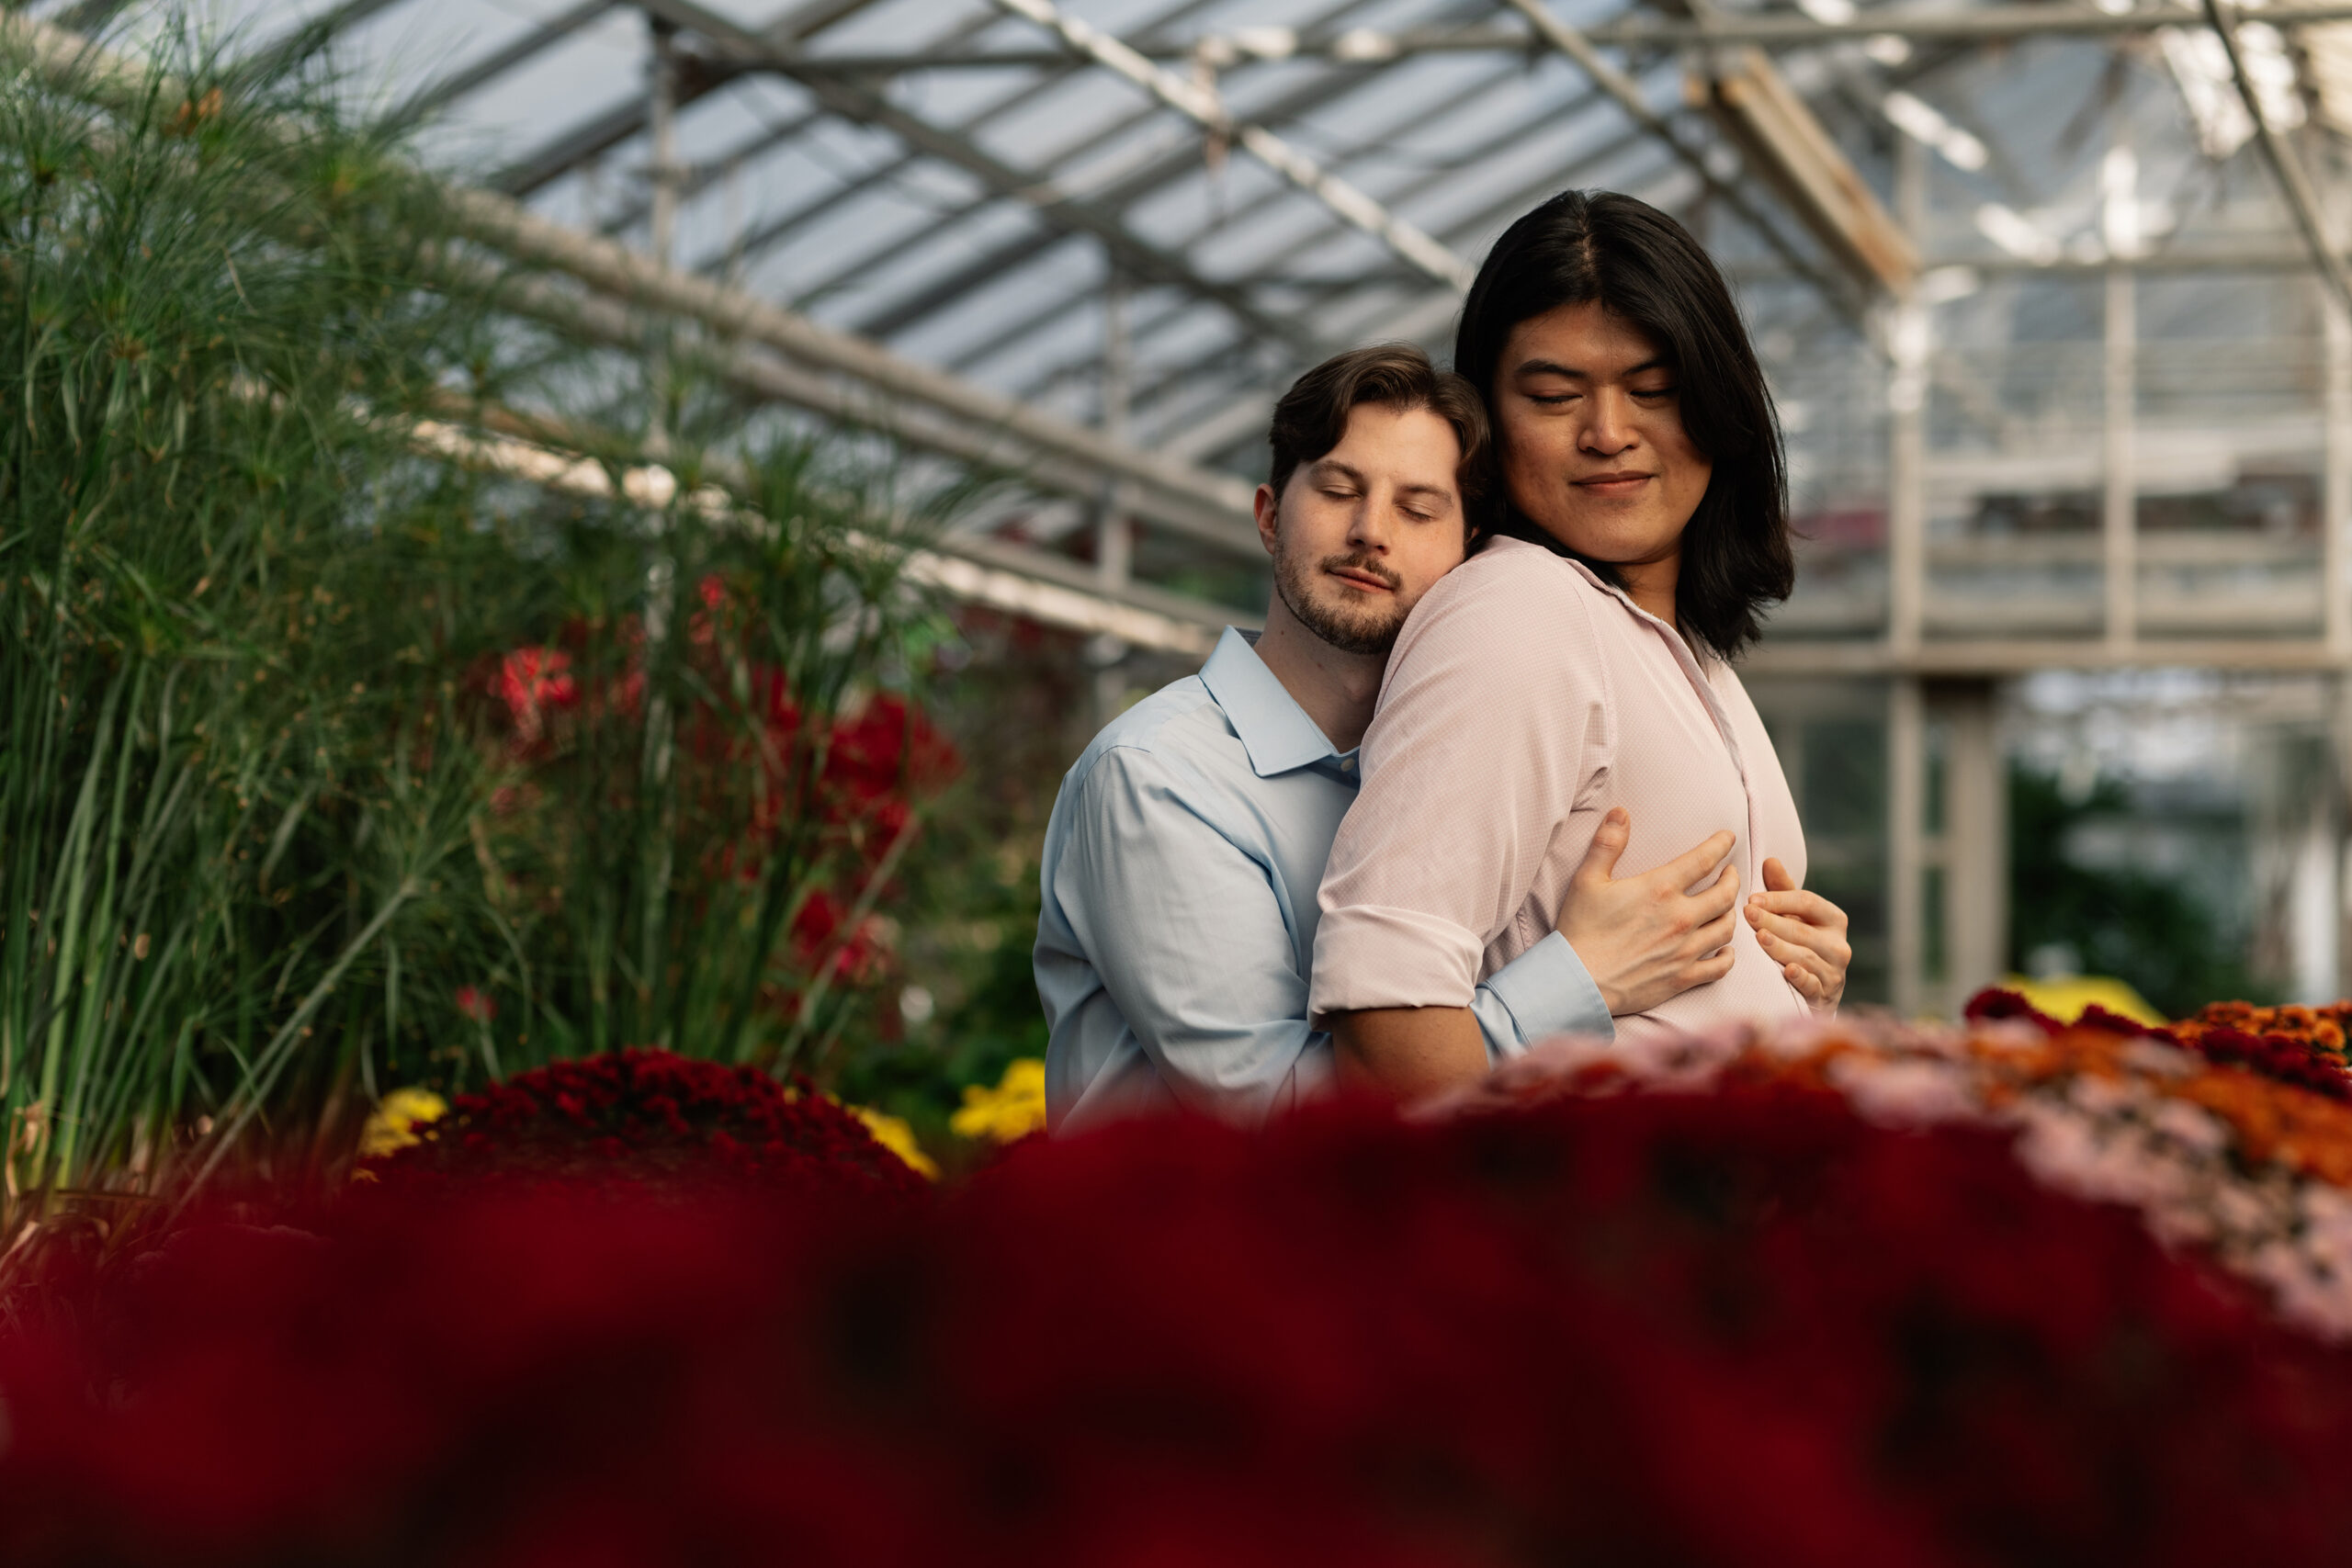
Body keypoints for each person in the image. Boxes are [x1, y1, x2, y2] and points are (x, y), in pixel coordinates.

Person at [1035, 344, 1829, 1133]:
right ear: (1270, 516)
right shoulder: (1156, 778)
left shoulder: (1456, 762)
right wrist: (1582, 977)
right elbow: (1281, 1121)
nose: (1370, 531)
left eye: (1418, 509)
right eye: (1339, 490)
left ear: (1467, 550)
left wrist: (1788, 973)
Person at [1311, 191, 1853, 1100]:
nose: (1607, 434)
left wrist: (1800, 996)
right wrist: (1576, 983)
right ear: (1485, 417)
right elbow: (1382, 1037)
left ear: (1719, 404)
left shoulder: (1683, 649)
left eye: (1653, 390)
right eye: (1554, 396)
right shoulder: (1515, 613)